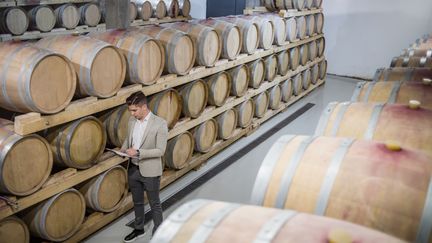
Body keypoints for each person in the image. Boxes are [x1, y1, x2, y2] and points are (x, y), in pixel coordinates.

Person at [121, 91, 168, 243]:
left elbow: (160, 150)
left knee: (154, 203)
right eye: (130, 111)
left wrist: (139, 152)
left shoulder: (160, 123)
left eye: (134, 110)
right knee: (137, 202)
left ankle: (158, 230)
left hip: (150, 170)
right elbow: (129, 140)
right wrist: (122, 150)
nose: (132, 113)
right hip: (133, 169)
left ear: (143, 106)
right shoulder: (131, 122)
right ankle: (139, 228)